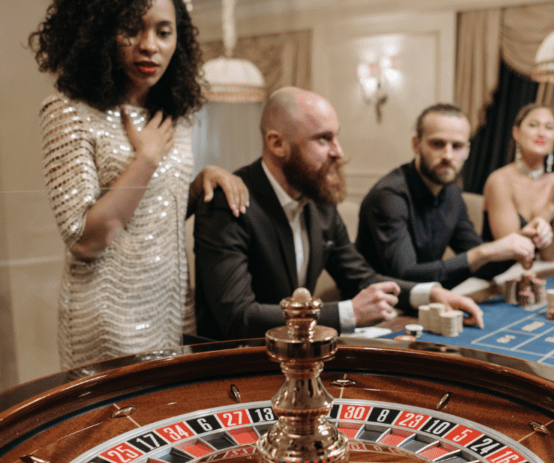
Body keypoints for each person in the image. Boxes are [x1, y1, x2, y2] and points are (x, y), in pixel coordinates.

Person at [32, 0, 248, 369]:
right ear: (99, 32)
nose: (149, 45)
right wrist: (145, 161)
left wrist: (199, 184)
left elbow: (152, 215)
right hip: (104, 320)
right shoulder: (68, 112)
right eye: (132, 29)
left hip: (172, 310)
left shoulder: (176, 117)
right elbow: (86, 241)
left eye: (163, 32)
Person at [193, 88, 483, 340]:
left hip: (299, 356)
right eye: (323, 139)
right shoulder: (227, 202)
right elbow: (238, 319)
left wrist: (428, 294)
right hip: (235, 366)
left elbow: (360, 277)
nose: (338, 152)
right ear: (277, 144)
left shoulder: (320, 202)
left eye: (336, 138)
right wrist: (348, 313)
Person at [356, 103, 544, 289]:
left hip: (424, 302)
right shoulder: (389, 197)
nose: (448, 155)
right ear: (416, 145)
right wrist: (483, 252)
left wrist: (523, 241)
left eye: (457, 146)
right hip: (380, 310)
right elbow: (405, 275)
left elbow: (482, 268)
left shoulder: (452, 194)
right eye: (437, 144)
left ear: (467, 150)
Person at [482, 103, 554, 263]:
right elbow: (513, 252)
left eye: (549, 127)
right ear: (516, 133)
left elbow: (549, 255)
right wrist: (553, 202)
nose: (541, 133)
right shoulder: (500, 180)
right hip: (498, 272)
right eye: (533, 125)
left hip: (535, 272)